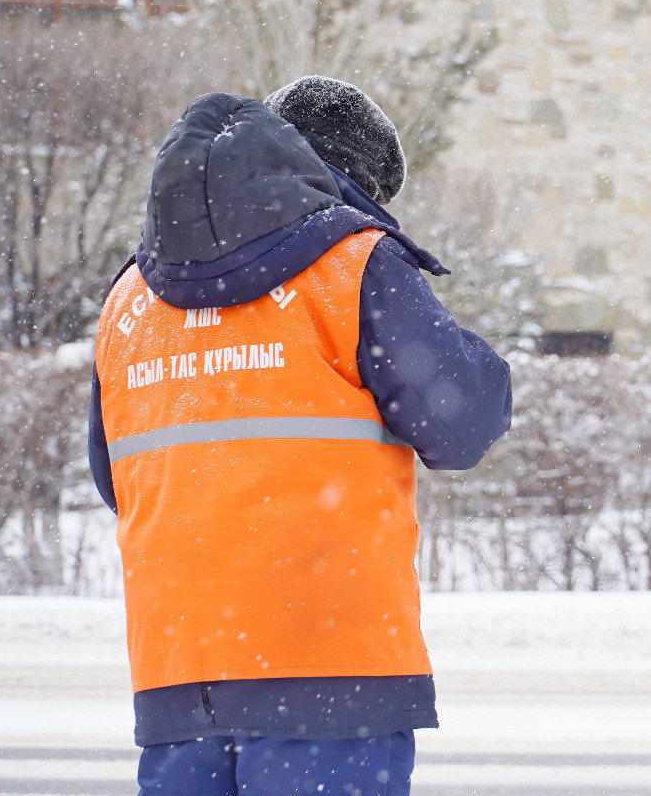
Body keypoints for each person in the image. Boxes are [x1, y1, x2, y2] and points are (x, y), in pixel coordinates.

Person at [88, 76, 511, 796]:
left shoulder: (131, 297)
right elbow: (463, 420)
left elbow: (114, 478)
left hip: (179, 675)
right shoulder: (352, 262)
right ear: (357, 180)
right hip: (331, 667)